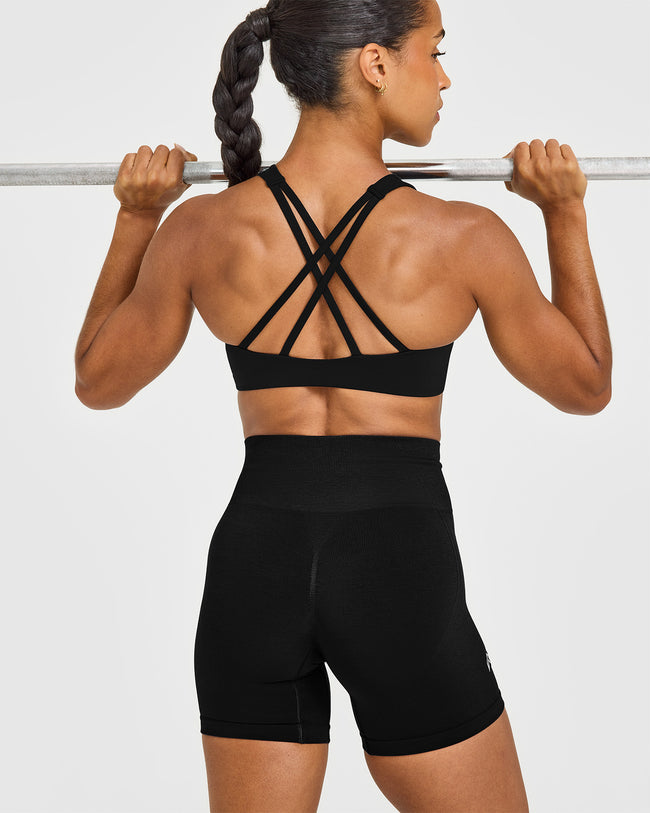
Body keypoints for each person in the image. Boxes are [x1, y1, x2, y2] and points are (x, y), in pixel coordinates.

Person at [74, 0, 612, 809]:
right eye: (435, 51)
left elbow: (97, 380)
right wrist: (564, 210)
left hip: (256, 567)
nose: (444, 78)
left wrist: (136, 217)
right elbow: (586, 384)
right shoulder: (464, 237)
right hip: (398, 570)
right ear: (376, 64)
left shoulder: (199, 229)